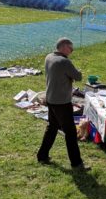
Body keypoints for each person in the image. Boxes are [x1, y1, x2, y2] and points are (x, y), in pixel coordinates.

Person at [37, 37, 90, 170]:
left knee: (52, 127)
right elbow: (78, 77)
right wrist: (77, 72)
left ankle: (42, 156)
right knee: (71, 133)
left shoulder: (49, 57)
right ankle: (76, 163)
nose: (71, 51)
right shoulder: (64, 62)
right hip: (62, 102)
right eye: (70, 48)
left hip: (51, 99)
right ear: (64, 47)